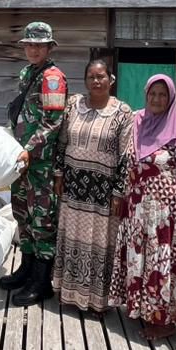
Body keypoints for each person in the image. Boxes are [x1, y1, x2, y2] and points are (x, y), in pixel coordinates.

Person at [108, 75, 176, 340]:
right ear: (146, 95)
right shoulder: (136, 121)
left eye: (162, 95)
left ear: (170, 97)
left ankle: (164, 321)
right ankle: (142, 310)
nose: (157, 99)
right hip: (136, 209)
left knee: (160, 264)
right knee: (140, 261)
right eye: (153, 94)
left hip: (164, 215)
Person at [51, 59, 133, 313]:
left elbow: (126, 156)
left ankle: (98, 302)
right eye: (91, 77)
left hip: (102, 192)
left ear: (111, 80)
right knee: (72, 239)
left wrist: (119, 192)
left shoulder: (122, 112)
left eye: (101, 76)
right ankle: (69, 295)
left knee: (99, 244)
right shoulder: (73, 105)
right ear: (85, 80)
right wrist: (58, 175)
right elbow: (61, 141)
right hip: (73, 187)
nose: (96, 81)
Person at [3, 21, 68, 307]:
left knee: (42, 220)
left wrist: (29, 149)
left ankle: (41, 283)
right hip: (21, 161)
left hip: (39, 163)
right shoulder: (27, 72)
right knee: (22, 215)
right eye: (29, 44)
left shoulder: (52, 77)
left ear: (49, 47)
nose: (33, 49)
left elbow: (52, 122)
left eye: (38, 45)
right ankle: (27, 270)